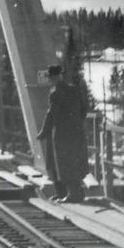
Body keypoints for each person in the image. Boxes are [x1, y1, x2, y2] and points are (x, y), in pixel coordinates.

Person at [38, 64, 89, 203]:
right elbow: (83, 110)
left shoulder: (55, 92)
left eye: (51, 77)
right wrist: (76, 123)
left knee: (64, 163)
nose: (51, 80)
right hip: (76, 132)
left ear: (53, 77)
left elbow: (52, 114)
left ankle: (71, 195)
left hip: (62, 134)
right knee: (76, 161)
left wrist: (44, 131)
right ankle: (75, 193)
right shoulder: (74, 89)